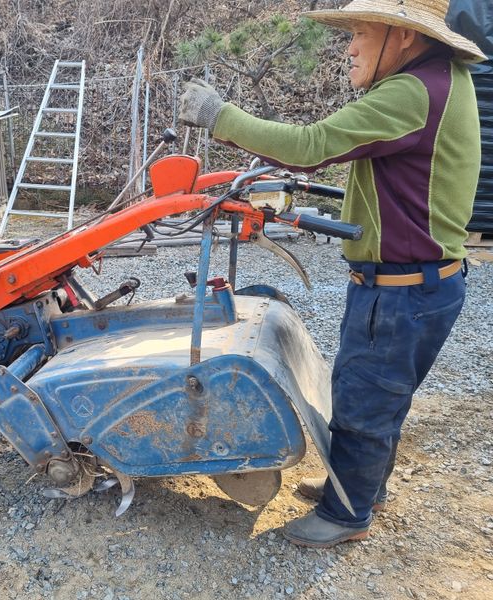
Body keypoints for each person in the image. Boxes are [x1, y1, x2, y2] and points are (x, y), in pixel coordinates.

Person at [179, 0, 485, 548]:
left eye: (361, 34)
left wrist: (219, 115)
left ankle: (347, 515)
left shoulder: (412, 92)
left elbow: (311, 146)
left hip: (403, 290)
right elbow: (398, 179)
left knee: (366, 395)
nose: (350, 48)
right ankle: (360, 484)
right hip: (423, 283)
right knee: (376, 392)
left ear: (404, 37)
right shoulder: (443, 79)